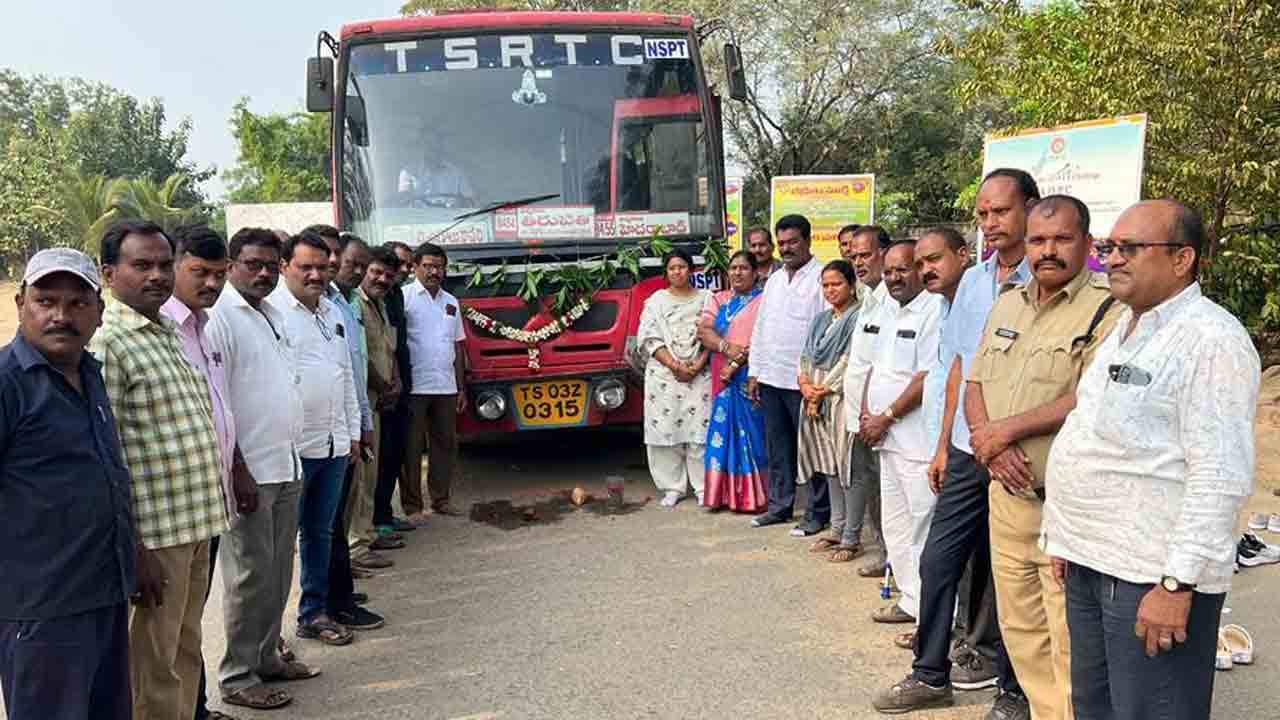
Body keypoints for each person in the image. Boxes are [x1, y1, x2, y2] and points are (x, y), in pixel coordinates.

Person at [1045, 200, 1259, 720]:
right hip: (1092, 561)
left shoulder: (1212, 342)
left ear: (1182, 259)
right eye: (1109, 248)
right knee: (1095, 707)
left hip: (1150, 580)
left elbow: (1219, 475)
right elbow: (1091, 432)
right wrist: (1063, 535)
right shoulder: (1126, 325)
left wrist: (1176, 584)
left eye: (1130, 248)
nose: (1113, 260)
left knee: (1152, 710)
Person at [873, 170, 1038, 718]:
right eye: (984, 214)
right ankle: (930, 673)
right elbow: (963, 368)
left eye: (1001, 212)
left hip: (1023, 455)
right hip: (972, 447)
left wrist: (1002, 438)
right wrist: (946, 444)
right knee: (938, 560)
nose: (991, 223)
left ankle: (1015, 692)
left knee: (1015, 574)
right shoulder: (974, 284)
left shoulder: (1050, 280)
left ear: (1029, 210)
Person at [965, 195, 1121, 720]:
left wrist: (1001, 432)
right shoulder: (1007, 301)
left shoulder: (1110, 308)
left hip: (1064, 508)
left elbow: (1088, 395)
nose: (1047, 251)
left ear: (1087, 242)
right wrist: (989, 444)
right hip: (1006, 498)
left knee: (1070, 643)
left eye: (1061, 239)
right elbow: (975, 379)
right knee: (1023, 634)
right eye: (1037, 240)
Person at [90, 220, 228, 720]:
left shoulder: (167, 331)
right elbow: (109, 455)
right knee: (152, 668)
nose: (157, 275)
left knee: (185, 652)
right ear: (109, 274)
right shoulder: (110, 343)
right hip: (156, 537)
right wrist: (135, 547)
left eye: (164, 264)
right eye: (141, 265)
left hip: (195, 525)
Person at [0, 249, 135, 720]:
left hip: (105, 590)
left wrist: (136, 552)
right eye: (46, 300)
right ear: (21, 304)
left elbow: (106, 472)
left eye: (78, 302)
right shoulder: (8, 383)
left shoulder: (89, 373)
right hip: (42, 608)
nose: (61, 315)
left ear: (99, 311)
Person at [207, 228, 319, 712]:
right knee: (249, 577)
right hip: (250, 469)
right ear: (232, 265)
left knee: (277, 571)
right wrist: (237, 469)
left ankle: (268, 655)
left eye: (271, 264)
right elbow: (218, 402)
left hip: (285, 460)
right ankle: (237, 674)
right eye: (253, 263)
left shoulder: (269, 314)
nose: (263, 272)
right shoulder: (220, 318)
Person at [160, 225, 262, 719]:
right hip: (167, 514)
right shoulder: (158, 331)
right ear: (175, 266)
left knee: (188, 624)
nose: (211, 284)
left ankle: (195, 710)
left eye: (219, 274)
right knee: (163, 634)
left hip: (210, 496)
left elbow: (219, 407)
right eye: (199, 273)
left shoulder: (204, 326)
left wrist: (237, 467)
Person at [267, 231, 368, 646]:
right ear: (284, 267)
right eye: (305, 267)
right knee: (275, 547)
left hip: (333, 444)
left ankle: (314, 612)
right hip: (292, 449)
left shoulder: (333, 312)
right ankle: (266, 635)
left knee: (320, 533)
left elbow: (344, 376)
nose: (315, 275)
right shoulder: (272, 313)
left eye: (321, 268)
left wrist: (352, 432)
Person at [858, 241, 942, 634]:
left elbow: (927, 377)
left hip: (917, 445)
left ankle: (933, 620)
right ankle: (910, 601)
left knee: (923, 530)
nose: (894, 277)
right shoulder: (887, 309)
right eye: (889, 270)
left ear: (919, 270)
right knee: (896, 527)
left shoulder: (934, 311)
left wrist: (886, 416)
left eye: (902, 269)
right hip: (886, 441)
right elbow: (874, 367)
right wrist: (865, 411)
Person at [748, 214, 830, 535]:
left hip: (803, 382)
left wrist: (814, 379)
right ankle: (779, 507)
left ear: (808, 241)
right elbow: (761, 327)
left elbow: (826, 330)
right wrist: (755, 372)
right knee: (778, 448)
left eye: (792, 242)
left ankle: (817, 513)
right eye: (781, 243)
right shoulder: (774, 280)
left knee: (811, 449)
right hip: (771, 378)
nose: (786, 248)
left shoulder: (822, 276)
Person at [837, 225, 892, 574]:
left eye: (865, 255)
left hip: (881, 420)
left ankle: (897, 564)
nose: (858, 262)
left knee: (890, 495)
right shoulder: (868, 297)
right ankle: (887, 555)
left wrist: (879, 414)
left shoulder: (894, 298)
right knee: (872, 490)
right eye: (853, 256)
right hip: (857, 416)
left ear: (884, 253)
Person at [639, 249, 712, 507]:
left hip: (699, 372)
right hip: (664, 375)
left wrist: (697, 364)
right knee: (665, 428)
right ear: (666, 273)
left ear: (691, 270)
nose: (677, 272)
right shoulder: (656, 301)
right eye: (672, 268)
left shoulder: (706, 298)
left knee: (699, 430)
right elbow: (649, 337)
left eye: (682, 266)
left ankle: (703, 487)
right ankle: (672, 487)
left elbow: (714, 333)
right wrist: (674, 365)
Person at [795, 260, 860, 543]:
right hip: (813, 398)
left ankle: (851, 535)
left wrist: (821, 390)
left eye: (837, 284)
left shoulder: (859, 317)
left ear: (851, 284)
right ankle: (836, 527)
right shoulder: (821, 319)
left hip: (839, 397)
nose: (830, 290)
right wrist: (804, 384)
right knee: (828, 464)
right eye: (826, 285)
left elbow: (849, 360)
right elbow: (805, 356)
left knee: (846, 465)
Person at [697, 250, 768, 512]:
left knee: (752, 433)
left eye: (744, 268)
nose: (737, 273)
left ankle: (753, 497)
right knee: (720, 432)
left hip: (750, 374)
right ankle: (721, 495)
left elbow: (762, 338)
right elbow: (704, 331)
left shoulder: (763, 301)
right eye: (733, 268)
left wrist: (737, 361)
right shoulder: (718, 298)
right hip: (721, 375)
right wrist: (728, 349)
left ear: (755, 272)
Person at [403, 242, 468, 520]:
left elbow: (459, 346)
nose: (433, 271)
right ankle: (412, 506)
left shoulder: (451, 302)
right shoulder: (403, 297)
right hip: (414, 386)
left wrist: (461, 387)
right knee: (411, 448)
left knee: (446, 444)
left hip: (446, 386)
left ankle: (441, 499)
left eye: (439, 267)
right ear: (415, 267)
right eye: (427, 266)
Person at [351, 246, 404, 551]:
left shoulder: (380, 306)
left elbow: (388, 349)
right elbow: (360, 356)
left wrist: (393, 381)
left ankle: (369, 532)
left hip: (379, 400)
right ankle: (359, 544)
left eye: (388, 275)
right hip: (367, 399)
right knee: (362, 476)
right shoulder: (354, 304)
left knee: (372, 474)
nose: (382, 279)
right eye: (376, 272)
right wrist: (384, 386)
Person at [373, 240, 416, 534]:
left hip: (399, 385)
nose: (401, 271)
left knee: (395, 454)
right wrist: (385, 384)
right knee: (380, 456)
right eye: (396, 266)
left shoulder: (394, 295)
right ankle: (376, 520)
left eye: (403, 266)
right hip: (379, 391)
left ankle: (385, 513)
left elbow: (395, 343)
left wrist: (400, 380)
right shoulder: (366, 300)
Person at [397, 131, 476, 206]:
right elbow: (403, 202)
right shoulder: (408, 173)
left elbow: (470, 202)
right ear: (422, 146)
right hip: (417, 219)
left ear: (441, 146)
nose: (432, 148)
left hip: (449, 219)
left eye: (436, 144)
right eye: (428, 144)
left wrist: (460, 203)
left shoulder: (456, 174)